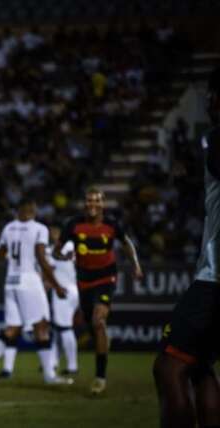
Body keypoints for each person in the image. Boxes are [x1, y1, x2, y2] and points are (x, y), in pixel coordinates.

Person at [153, 67, 220, 428]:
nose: (208, 102)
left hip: (215, 279)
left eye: (212, 95)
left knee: (170, 366)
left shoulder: (215, 137)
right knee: (198, 364)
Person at [54, 186, 143, 395]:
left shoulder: (111, 224)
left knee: (98, 321)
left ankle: (100, 378)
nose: (92, 204)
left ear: (102, 204)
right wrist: (61, 256)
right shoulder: (73, 225)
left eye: (96, 201)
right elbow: (57, 249)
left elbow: (126, 243)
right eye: (88, 200)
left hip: (106, 278)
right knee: (92, 326)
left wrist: (136, 265)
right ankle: (101, 339)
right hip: (83, 281)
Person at [0, 198, 72, 385]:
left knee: (13, 328)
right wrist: (56, 285)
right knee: (42, 325)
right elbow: (41, 257)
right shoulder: (39, 229)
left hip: (11, 282)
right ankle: (49, 375)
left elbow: (0, 254)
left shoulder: (8, 228)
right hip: (29, 280)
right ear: (31, 209)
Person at [47, 224, 79, 376]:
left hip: (62, 291)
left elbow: (49, 271)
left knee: (64, 328)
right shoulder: (73, 245)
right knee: (59, 329)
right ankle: (53, 362)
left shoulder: (52, 250)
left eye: (55, 231)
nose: (52, 234)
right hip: (74, 289)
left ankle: (72, 365)